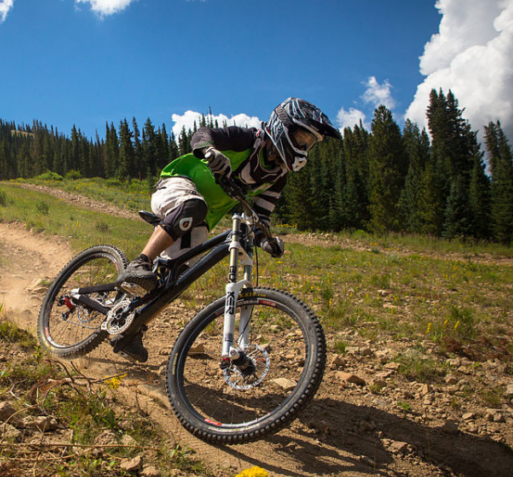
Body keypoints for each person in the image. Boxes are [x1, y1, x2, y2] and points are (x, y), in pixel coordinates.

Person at [111, 97, 342, 362]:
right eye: (303, 138)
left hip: (201, 218)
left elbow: (260, 217)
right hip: (177, 185)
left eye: (310, 144)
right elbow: (202, 135)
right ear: (284, 128)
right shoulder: (248, 140)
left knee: (176, 278)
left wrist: (267, 241)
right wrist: (210, 151)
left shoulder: (278, 176)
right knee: (193, 205)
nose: (304, 147)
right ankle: (140, 262)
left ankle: (131, 328)